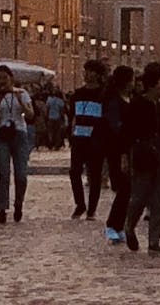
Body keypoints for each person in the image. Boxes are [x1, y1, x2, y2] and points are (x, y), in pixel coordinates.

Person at [124, 62, 160, 257]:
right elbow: (127, 133)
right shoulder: (137, 104)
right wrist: (126, 157)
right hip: (144, 156)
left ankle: (154, 242)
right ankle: (129, 226)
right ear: (151, 83)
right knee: (139, 197)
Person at [0, 65, 34, 223]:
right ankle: (2, 208)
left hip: (19, 134)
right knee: (3, 172)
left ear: (11, 78)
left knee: (21, 173)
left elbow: (30, 115)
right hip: (2, 135)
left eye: (5, 78)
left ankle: (19, 202)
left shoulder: (22, 93)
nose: (2, 81)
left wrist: (20, 101)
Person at [68, 59, 106, 220]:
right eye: (86, 71)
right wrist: (71, 134)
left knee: (94, 174)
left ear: (97, 74)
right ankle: (80, 204)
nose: (87, 74)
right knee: (74, 172)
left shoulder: (104, 94)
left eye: (90, 71)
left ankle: (92, 209)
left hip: (96, 138)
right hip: (79, 137)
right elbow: (72, 115)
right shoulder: (77, 94)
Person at [103, 64, 134, 244]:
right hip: (115, 148)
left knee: (128, 189)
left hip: (127, 147)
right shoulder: (114, 101)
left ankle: (119, 224)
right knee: (124, 187)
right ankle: (111, 224)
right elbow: (114, 125)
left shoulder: (128, 98)